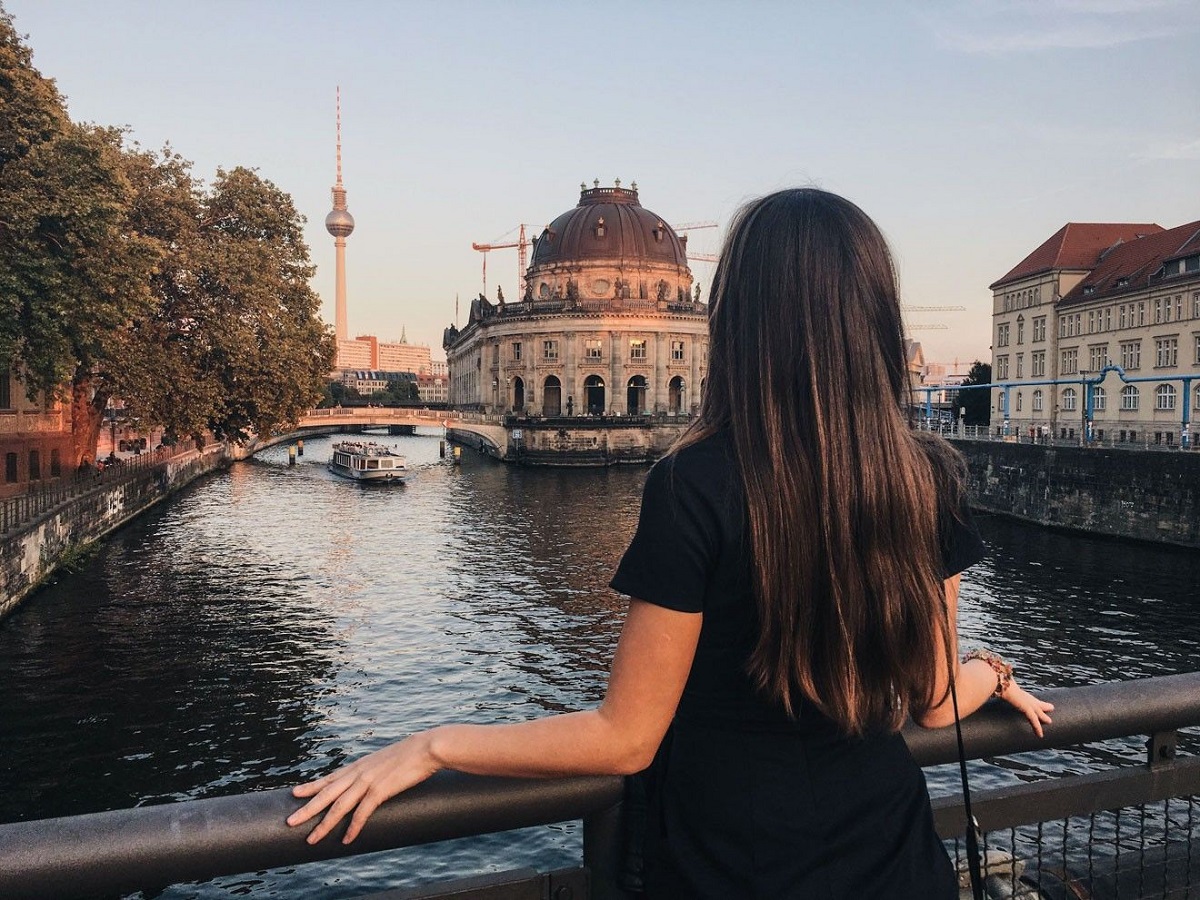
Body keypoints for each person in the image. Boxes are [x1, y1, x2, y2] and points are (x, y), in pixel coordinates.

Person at [287, 189, 1053, 896]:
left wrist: (434, 746)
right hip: (894, 861)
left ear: (740, 318)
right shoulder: (924, 477)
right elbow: (936, 701)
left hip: (733, 868)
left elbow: (625, 739)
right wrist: (995, 669)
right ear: (875, 318)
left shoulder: (696, 482)